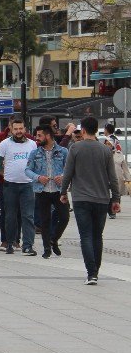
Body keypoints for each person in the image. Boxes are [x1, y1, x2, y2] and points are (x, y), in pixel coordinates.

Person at [60, 116, 121, 285]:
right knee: (97, 236)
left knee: (85, 235)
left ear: (84, 130)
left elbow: (68, 173)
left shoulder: (75, 148)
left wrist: (63, 192)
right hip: (102, 199)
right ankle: (96, 271)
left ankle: (91, 273)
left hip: (81, 199)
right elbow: (113, 178)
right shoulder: (105, 150)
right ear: (97, 130)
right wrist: (116, 199)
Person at [0, 117, 38, 256]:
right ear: (11, 129)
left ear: (25, 129)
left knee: (28, 216)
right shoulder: (4, 144)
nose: (19, 131)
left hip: (27, 185)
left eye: (21, 128)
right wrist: (6, 174)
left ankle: (28, 245)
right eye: (16, 129)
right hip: (10, 185)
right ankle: (10, 243)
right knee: (10, 216)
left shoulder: (32, 144)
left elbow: (36, 163)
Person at [25, 125, 69, 259]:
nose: (37, 138)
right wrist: (38, 177)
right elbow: (27, 170)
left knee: (64, 217)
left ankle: (54, 239)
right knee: (45, 220)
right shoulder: (35, 153)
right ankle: (47, 248)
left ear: (48, 136)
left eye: (39, 135)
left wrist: (62, 176)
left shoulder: (63, 151)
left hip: (58, 190)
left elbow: (69, 169)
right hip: (42, 190)